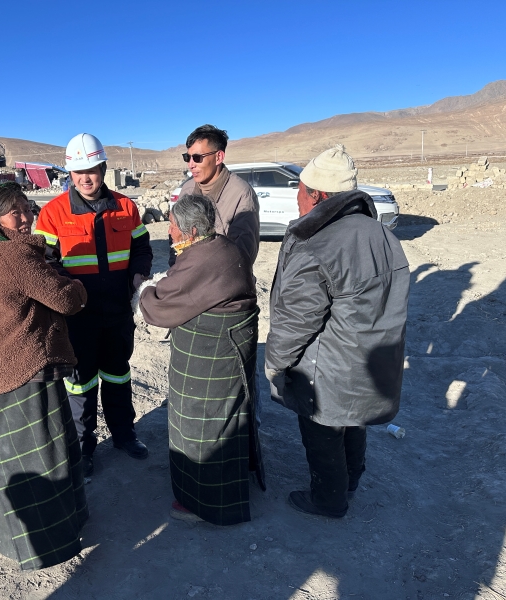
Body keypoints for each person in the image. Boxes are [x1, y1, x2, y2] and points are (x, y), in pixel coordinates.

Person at [0, 182, 89, 570]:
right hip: (21, 373)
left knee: (1, 461)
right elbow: (65, 300)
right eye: (15, 212)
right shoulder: (14, 254)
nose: (25, 219)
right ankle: (48, 543)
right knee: (44, 457)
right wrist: (78, 286)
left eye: (28, 209)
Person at [264, 144, 410, 518]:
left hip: (328, 367)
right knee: (353, 421)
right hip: (371, 362)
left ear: (316, 194)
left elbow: (297, 319)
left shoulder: (318, 243)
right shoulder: (381, 234)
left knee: (323, 432)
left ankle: (328, 500)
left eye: (300, 190)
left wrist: (275, 362)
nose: (297, 198)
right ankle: (351, 481)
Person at [140, 194, 265, 525]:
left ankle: (206, 503)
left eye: (172, 225)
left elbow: (160, 305)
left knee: (203, 422)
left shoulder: (201, 260)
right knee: (225, 418)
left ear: (191, 231)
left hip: (211, 355)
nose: (169, 231)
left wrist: (145, 291)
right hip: (229, 351)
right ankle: (226, 485)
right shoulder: (221, 247)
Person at [35, 133, 153, 477]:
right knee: (80, 383)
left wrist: (138, 274)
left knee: (118, 374)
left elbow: (141, 247)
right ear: (70, 174)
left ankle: (124, 435)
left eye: (92, 170)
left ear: (103, 168)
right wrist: (68, 290)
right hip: (78, 318)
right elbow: (45, 262)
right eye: (78, 172)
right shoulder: (53, 213)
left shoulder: (126, 207)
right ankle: (84, 448)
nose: (86, 178)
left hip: (118, 312)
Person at [170, 124, 259, 266]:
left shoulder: (241, 193)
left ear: (218, 157)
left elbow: (243, 254)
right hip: (186, 274)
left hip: (221, 277)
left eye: (197, 157)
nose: (190, 165)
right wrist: (175, 269)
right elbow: (176, 234)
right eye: (187, 157)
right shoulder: (187, 189)